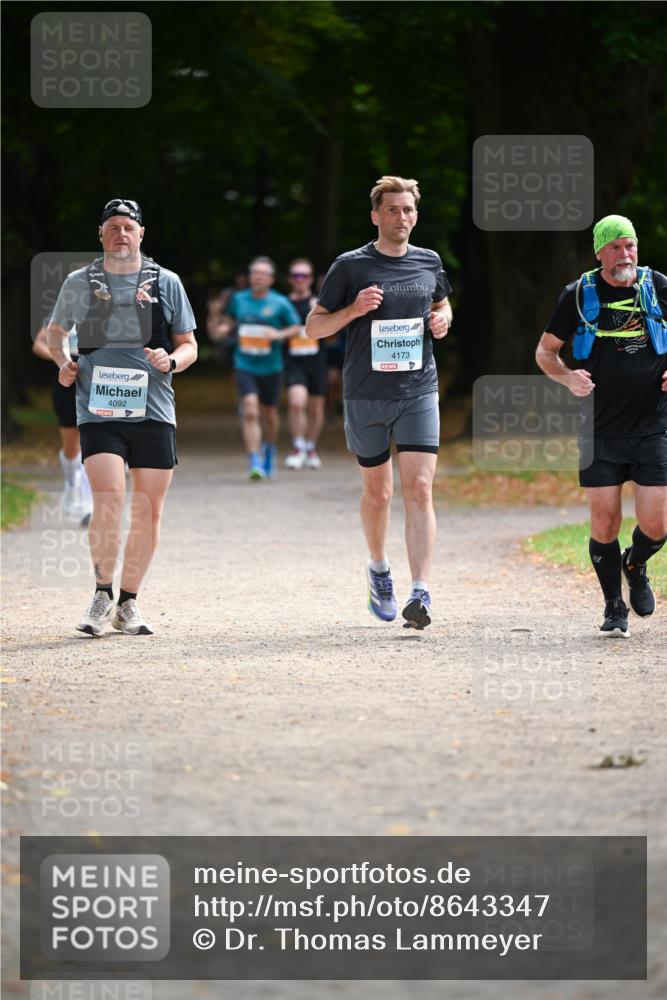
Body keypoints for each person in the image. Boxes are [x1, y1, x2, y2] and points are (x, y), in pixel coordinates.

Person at [306, 176, 453, 629]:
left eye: (408, 210)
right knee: (379, 492)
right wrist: (352, 310)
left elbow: (444, 304)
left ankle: (422, 591)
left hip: (418, 391)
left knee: (420, 489)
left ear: (416, 215)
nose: (401, 217)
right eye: (392, 210)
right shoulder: (350, 266)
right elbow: (313, 327)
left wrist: (443, 318)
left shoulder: (429, 261)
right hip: (367, 393)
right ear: (375, 215)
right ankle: (379, 568)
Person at [47, 198, 198, 637]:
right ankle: (100, 593)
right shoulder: (80, 281)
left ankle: (128, 603)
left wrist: (171, 359)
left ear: (141, 234)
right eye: (112, 226)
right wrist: (63, 363)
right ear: (101, 235)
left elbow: (189, 345)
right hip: (98, 409)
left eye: (128, 226)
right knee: (109, 497)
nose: (121, 233)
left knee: (149, 510)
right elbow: (56, 335)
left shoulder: (165, 281)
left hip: (153, 410)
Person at [536, 214, 667, 637]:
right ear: (599, 253)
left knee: (658, 524)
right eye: (615, 247)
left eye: (630, 245)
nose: (624, 254)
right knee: (604, 523)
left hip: (654, 424)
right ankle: (614, 607)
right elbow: (545, 352)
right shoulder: (577, 295)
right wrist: (566, 376)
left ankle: (637, 563)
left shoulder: (659, 287)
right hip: (600, 429)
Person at [225, 256, 301, 480]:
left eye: (262, 273)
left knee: (269, 414)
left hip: (271, 366)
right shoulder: (238, 299)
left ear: (271, 279)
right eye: (254, 272)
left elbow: (296, 327)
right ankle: (254, 460)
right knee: (250, 409)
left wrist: (278, 334)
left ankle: (269, 449)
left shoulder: (280, 302)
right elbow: (229, 321)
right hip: (244, 363)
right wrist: (223, 328)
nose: (257, 277)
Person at [32, 324, 93, 524]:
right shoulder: (65, 313)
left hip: (97, 380)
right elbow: (39, 343)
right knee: (71, 447)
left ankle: (87, 506)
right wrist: (59, 358)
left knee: (92, 444)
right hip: (67, 380)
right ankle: (70, 482)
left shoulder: (108, 310)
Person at [283, 258, 326, 469]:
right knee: (296, 402)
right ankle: (298, 445)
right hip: (293, 361)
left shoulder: (319, 303)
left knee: (316, 409)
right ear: (290, 279)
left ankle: (310, 447)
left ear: (310, 279)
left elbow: (333, 333)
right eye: (296, 275)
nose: (300, 280)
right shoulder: (284, 303)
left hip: (316, 361)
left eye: (305, 276)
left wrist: (317, 314)